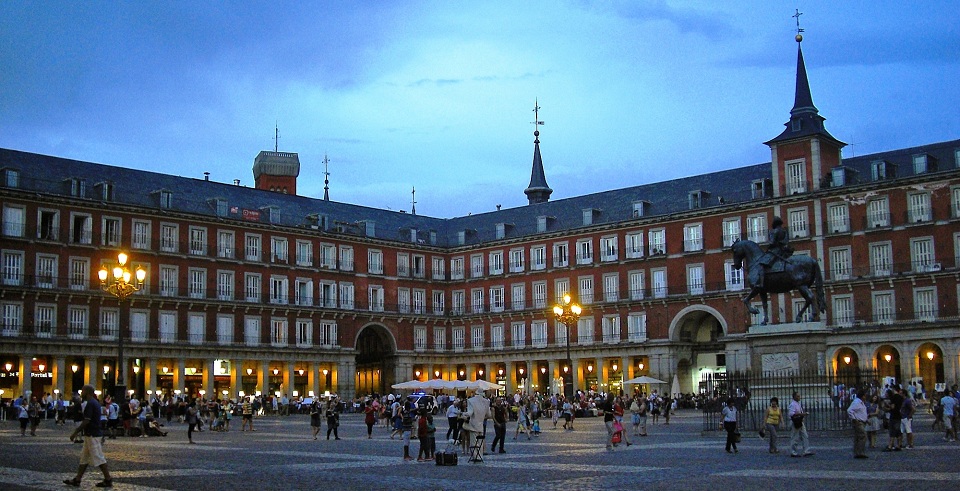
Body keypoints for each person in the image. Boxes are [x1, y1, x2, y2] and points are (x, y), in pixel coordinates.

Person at [63, 384, 113, 488]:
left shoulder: (90, 404)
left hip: (92, 434)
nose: (81, 393)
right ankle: (77, 479)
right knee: (84, 458)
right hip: (91, 434)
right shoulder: (95, 403)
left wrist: (75, 432)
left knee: (98, 457)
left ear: (87, 392)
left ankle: (108, 479)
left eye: (83, 391)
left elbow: (87, 420)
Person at [462, 389, 491, 457]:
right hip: (481, 425)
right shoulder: (486, 402)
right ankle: (480, 455)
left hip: (473, 425)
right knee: (480, 441)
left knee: (474, 442)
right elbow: (489, 415)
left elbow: (470, 413)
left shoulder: (471, 401)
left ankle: (476, 456)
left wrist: (462, 414)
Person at [787, 391, 813, 457]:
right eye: (797, 396)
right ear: (794, 397)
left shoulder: (797, 404)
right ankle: (793, 452)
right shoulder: (792, 404)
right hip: (795, 421)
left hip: (800, 421)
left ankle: (806, 450)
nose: (799, 397)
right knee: (795, 437)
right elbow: (791, 414)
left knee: (805, 435)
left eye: (799, 396)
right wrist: (802, 414)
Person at [847, 389, 869, 459]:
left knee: (858, 437)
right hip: (858, 422)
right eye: (865, 396)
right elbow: (849, 410)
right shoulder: (857, 402)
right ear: (862, 396)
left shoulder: (861, 402)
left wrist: (866, 420)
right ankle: (860, 452)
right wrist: (854, 419)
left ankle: (857, 452)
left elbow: (861, 412)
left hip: (862, 421)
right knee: (863, 436)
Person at [884, 387, 904, 451]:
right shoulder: (901, 397)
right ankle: (899, 445)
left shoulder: (894, 397)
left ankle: (890, 445)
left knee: (892, 431)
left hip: (893, 415)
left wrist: (887, 407)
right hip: (899, 415)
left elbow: (893, 407)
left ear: (894, 390)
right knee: (898, 431)